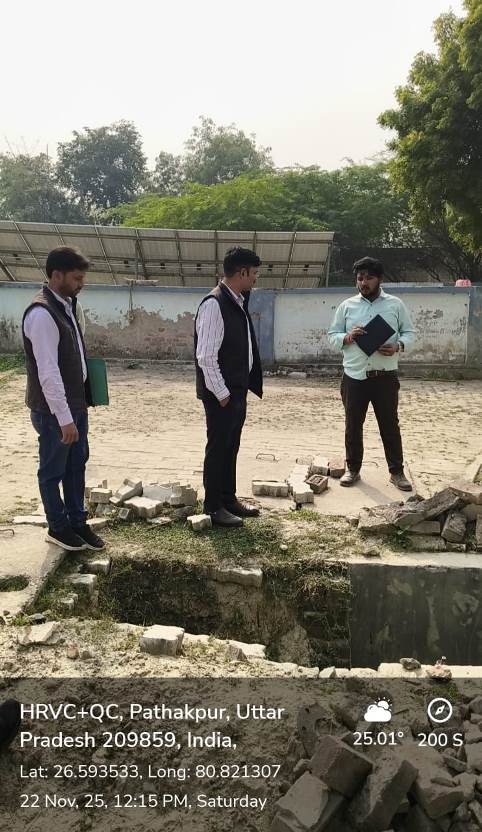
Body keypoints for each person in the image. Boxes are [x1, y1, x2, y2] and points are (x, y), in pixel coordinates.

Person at [22, 246, 105, 551]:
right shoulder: (42, 314)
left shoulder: (66, 305)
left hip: (75, 405)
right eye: (76, 278)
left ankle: (77, 521)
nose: (81, 284)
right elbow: (48, 372)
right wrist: (64, 418)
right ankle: (57, 527)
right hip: (54, 412)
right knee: (53, 470)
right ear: (57, 275)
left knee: (76, 465)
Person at [327, 256, 416, 491]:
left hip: (385, 377)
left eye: (369, 278)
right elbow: (332, 334)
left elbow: (410, 333)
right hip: (354, 376)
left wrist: (398, 345)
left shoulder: (395, 305)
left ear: (380, 279)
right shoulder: (347, 306)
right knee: (353, 425)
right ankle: (352, 469)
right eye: (360, 278)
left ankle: (397, 472)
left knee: (389, 425)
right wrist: (347, 337)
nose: (363, 283)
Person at [195, 247, 263, 527]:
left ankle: (228, 498)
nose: (255, 279)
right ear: (242, 272)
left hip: (236, 389)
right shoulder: (214, 304)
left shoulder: (237, 300)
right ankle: (213, 506)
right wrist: (222, 395)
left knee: (230, 446)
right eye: (254, 273)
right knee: (218, 448)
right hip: (221, 393)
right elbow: (206, 357)